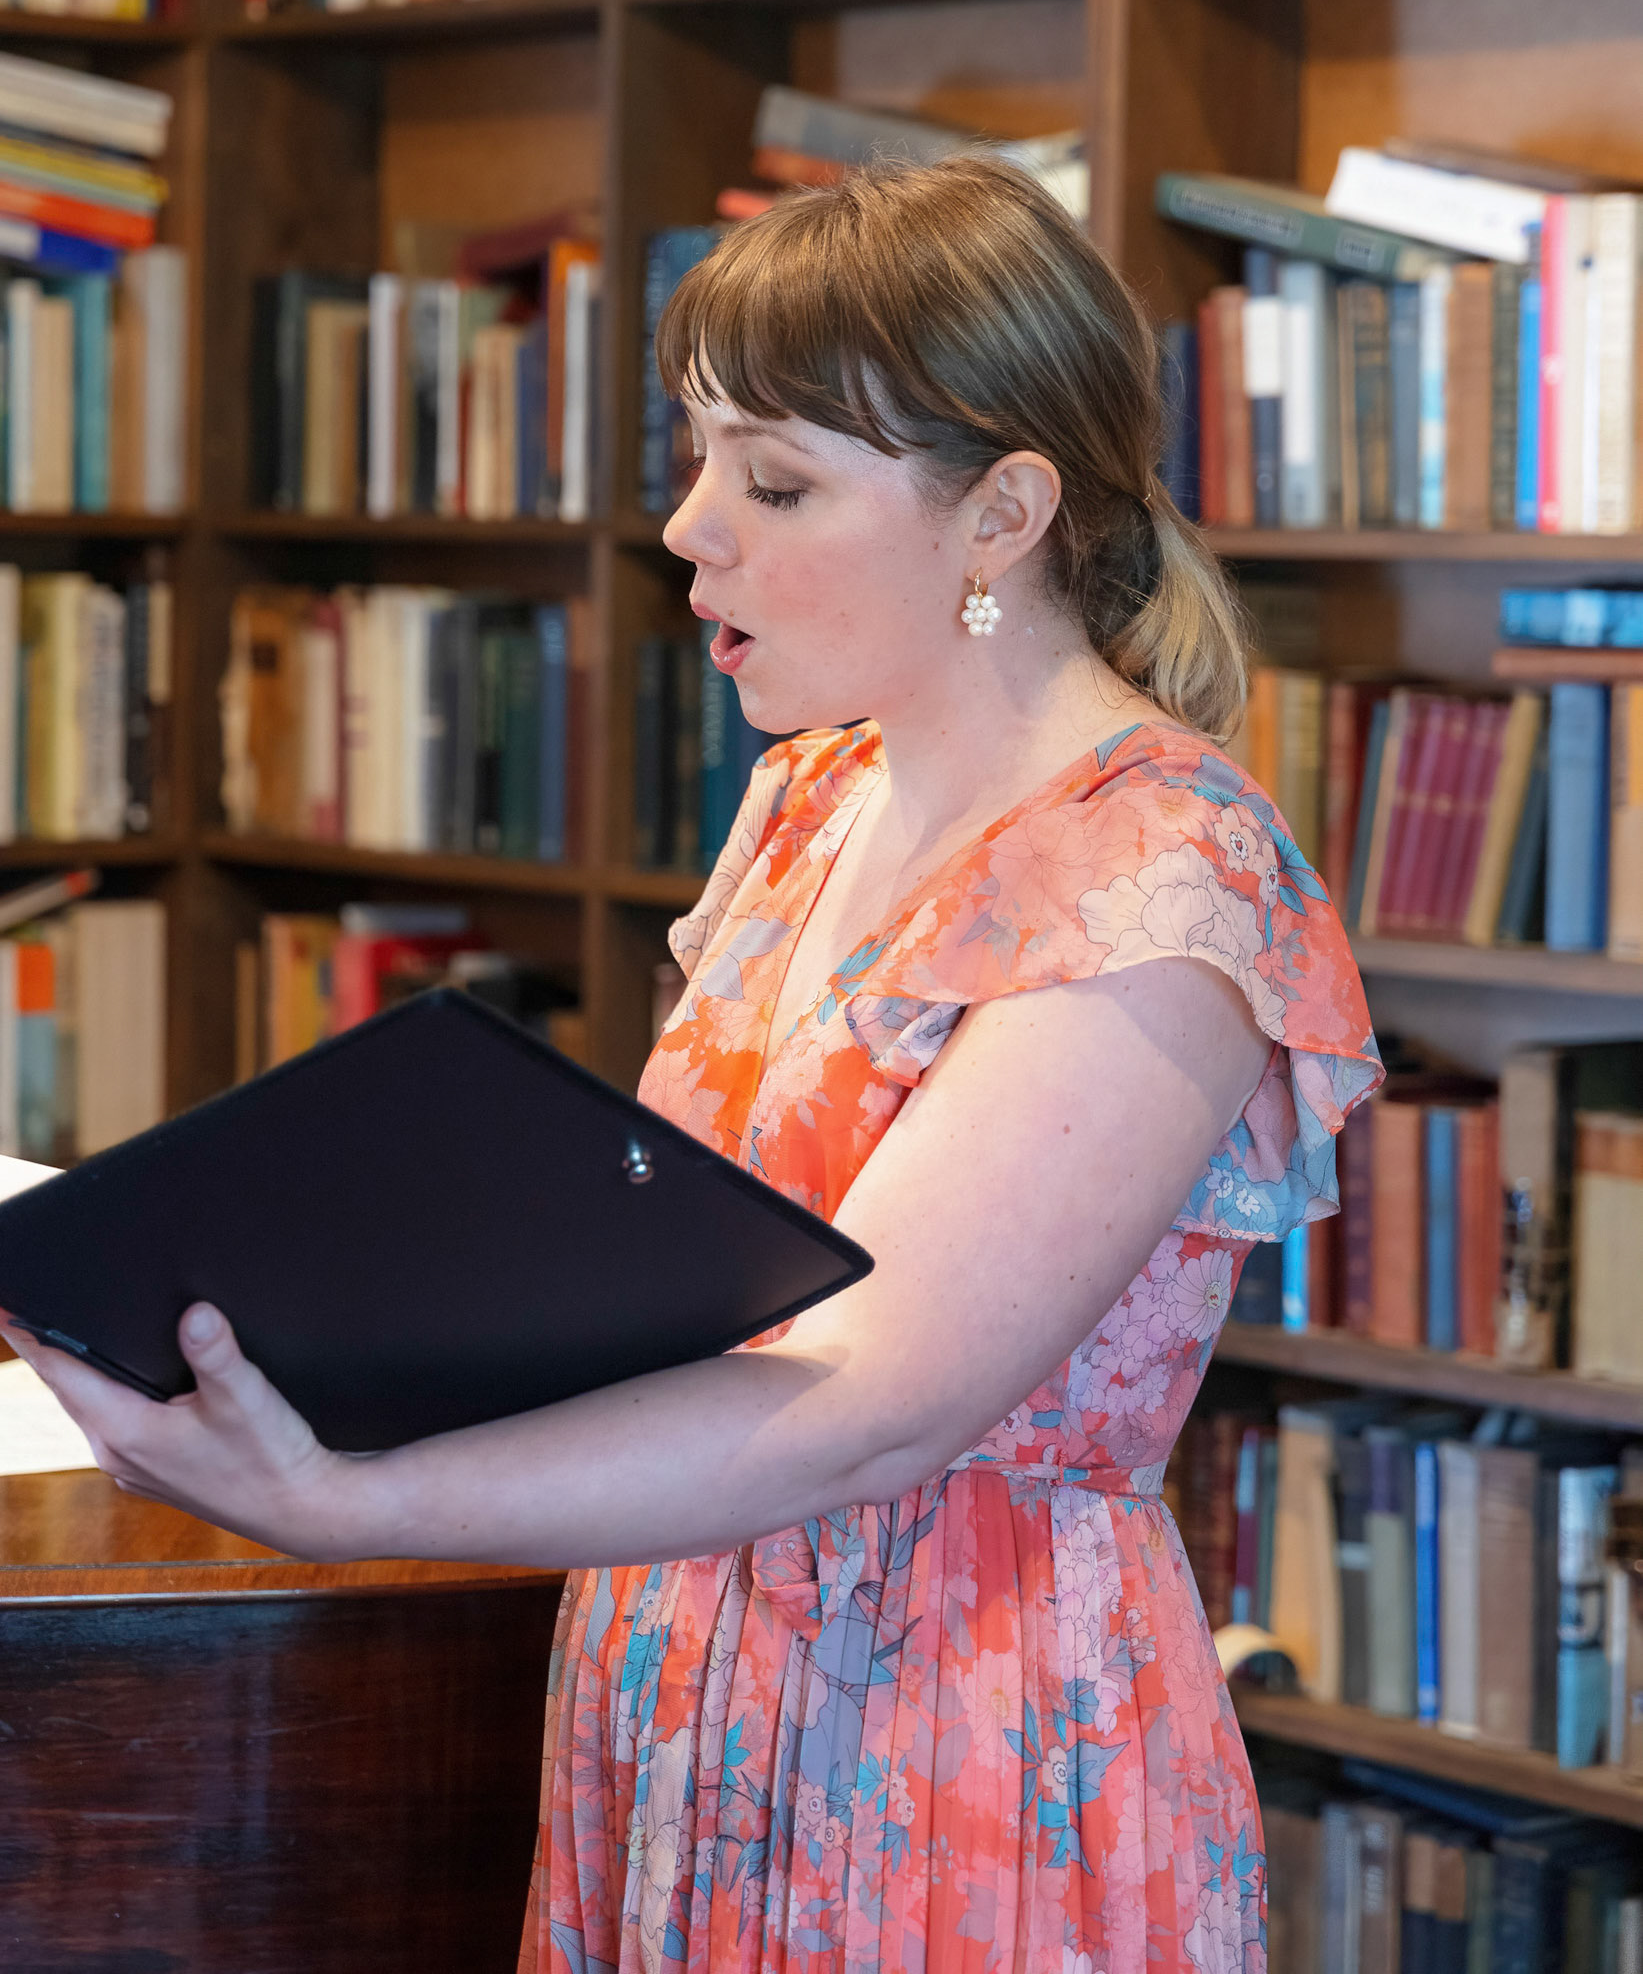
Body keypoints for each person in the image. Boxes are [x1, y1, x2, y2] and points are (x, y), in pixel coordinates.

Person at [3, 157, 1381, 1974]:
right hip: (674, 1685)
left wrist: (342, 1501)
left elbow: (877, 1400)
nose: (689, 529)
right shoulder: (814, 794)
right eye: (700, 459)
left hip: (947, 1750)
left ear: (1004, 514)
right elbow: (677, 1276)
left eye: (776, 481)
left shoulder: (1162, 875)